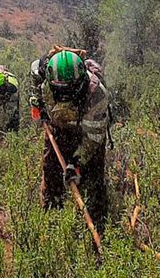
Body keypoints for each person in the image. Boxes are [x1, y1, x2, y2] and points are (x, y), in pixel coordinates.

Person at [30, 47, 111, 231]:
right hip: (57, 126)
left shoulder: (96, 95)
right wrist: (39, 106)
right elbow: (35, 85)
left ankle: (99, 225)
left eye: (70, 89)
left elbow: (94, 137)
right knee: (51, 172)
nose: (64, 94)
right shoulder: (41, 73)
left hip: (87, 132)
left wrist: (77, 162)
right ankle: (52, 221)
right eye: (60, 90)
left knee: (93, 180)